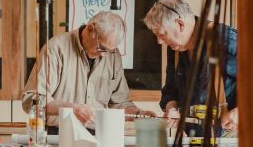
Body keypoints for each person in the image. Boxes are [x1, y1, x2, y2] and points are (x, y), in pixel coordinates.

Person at [22, 11, 154, 126]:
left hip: (98, 134)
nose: (103, 54)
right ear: (90, 29)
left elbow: (120, 104)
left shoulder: (112, 56)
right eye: (101, 48)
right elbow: (33, 100)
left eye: (108, 50)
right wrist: (73, 109)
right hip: (57, 134)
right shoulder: (56, 49)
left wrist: (140, 114)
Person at [143, 0, 238, 130]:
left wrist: (240, 112)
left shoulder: (223, 39)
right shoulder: (176, 48)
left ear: (180, 24)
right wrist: (172, 108)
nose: (159, 42)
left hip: (230, 138)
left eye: (162, 34)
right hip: (196, 139)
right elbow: (170, 89)